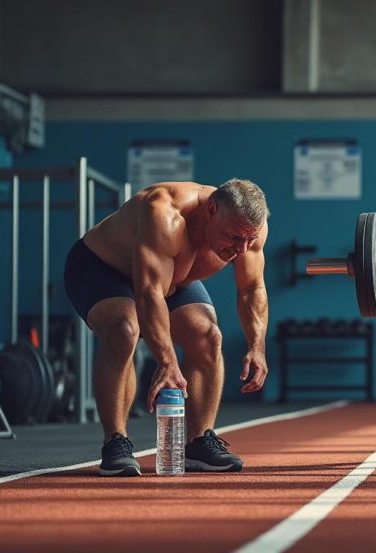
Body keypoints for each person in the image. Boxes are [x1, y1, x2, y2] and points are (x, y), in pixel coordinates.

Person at [64, 179, 270, 476]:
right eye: (234, 238)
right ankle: (116, 442)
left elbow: (251, 289)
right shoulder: (165, 213)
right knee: (125, 330)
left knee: (209, 336)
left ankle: (199, 442)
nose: (242, 249)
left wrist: (257, 345)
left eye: (249, 240)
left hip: (172, 279)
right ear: (212, 209)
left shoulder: (249, 229)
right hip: (102, 269)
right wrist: (167, 361)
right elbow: (149, 294)